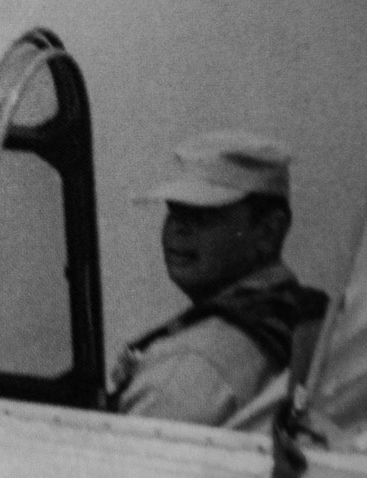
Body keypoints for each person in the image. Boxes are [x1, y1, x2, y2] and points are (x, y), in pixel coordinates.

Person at [109, 130, 328, 425]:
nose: (178, 229)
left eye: (202, 215)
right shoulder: (308, 318)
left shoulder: (189, 365)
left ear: (268, 231)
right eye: (174, 211)